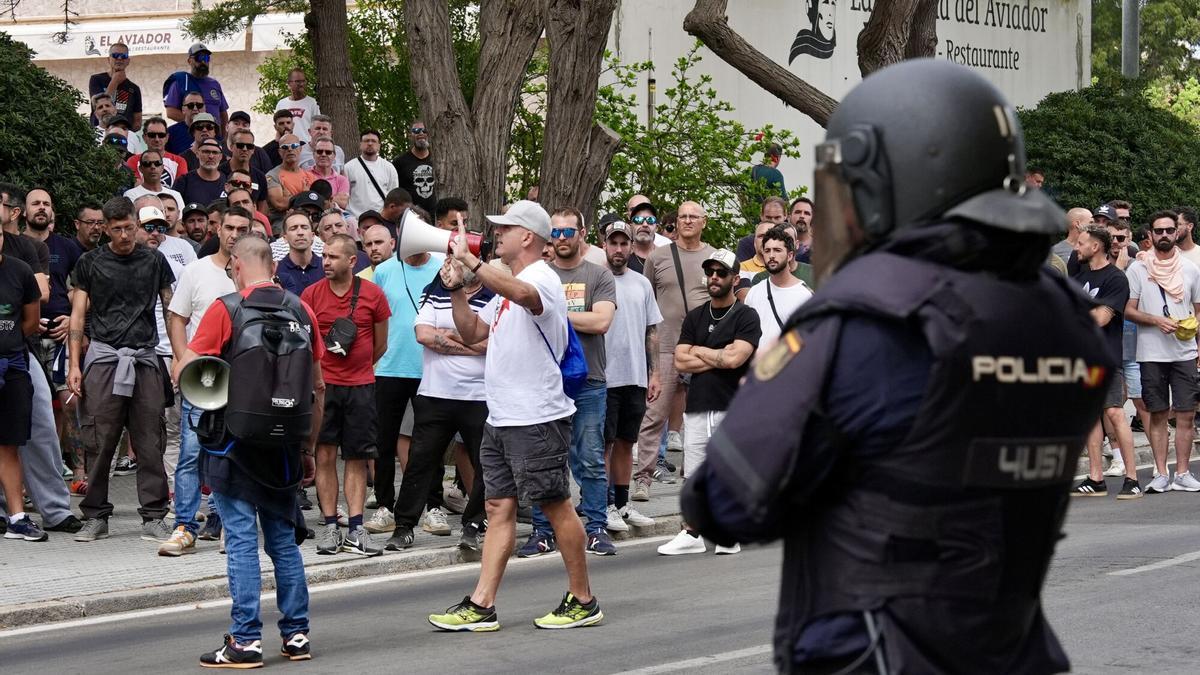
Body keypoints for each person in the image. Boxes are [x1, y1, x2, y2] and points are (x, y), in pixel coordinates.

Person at [681, 60, 1112, 672]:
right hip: (1012, 648)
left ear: (894, 184)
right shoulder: (1066, 321)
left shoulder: (867, 325)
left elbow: (725, 502)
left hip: (877, 651)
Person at [427, 200, 602, 631]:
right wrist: (456, 290)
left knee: (555, 504)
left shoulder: (539, 277)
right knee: (498, 505)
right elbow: (472, 334)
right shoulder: (507, 284)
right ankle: (482, 604)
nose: (496, 234)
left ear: (527, 236)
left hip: (535, 416)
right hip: (502, 417)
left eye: (505, 228)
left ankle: (583, 600)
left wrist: (471, 262)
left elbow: (525, 298)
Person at [173, 235, 321, 667]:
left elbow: (187, 371)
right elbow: (317, 386)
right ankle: (296, 636)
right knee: (283, 542)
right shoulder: (302, 309)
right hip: (285, 447)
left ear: (235, 265)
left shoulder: (226, 308)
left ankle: (245, 640)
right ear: (271, 267)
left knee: (239, 541)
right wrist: (307, 446)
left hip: (233, 445)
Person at [68, 197, 175, 543]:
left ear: (137, 224)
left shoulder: (155, 260)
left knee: (149, 438)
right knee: (99, 438)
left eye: (130, 227)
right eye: (116, 230)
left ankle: (155, 515)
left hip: (145, 355)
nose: (125, 235)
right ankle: (96, 514)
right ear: (105, 229)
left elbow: (171, 309)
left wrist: (180, 355)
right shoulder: (90, 262)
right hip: (104, 355)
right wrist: (74, 364)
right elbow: (78, 316)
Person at [521, 207, 618, 557]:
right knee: (545, 460)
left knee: (590, 458)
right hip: (544, 382)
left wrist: (552, 313)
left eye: (568, 232)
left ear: (582, 233)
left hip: (589, 380)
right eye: (556, 233)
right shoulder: (535, 275)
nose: (562, 239)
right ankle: (542, 531)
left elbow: (601, 321)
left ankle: (595, 527)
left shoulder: (598, 275)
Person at [158, 207, 249, 556]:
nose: (234, 233)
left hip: (242, 378)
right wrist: (181, 359)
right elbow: (177, 318)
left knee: (236, 453)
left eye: (243, 228)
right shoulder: (196, 270)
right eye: (229, 227)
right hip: (205, 376)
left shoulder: (255, 274)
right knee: (191, 454)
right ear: (218, 228)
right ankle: (185, 527)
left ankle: (230, 525)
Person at [302, 234, 391, 556]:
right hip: (324, 387)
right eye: (323, 256)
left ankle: (355, 528)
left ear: (352, 261)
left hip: (362, 386)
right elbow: (307, 342)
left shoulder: (373, 294)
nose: (325, 262)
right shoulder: (311, 294)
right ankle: (329, 525)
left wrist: (359, 370)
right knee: (324, 455)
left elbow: (380, 344)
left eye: (333, 257)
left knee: (357, 457)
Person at [633, 201, 714, 502]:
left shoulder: (714, 257)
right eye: (682, 217)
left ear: (704, 222)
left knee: (700, 415)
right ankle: (643, 479)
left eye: (694, 216)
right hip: (666, 346)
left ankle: (693, 478)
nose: (688, 221)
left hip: (702, 348)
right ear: (676, 222)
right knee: (655, 414)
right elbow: (647, 299)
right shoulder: (658, 257)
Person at [370, 222, 444, 543]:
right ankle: (385, 505)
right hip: (389, 368)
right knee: (383, 441)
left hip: (429, 368)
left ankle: (433, 504)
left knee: (431, 441)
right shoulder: (384, 271)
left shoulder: (442, 268)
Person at [1124, 210, 1200, 494]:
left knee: (1186, 414)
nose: (1165, 235)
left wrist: (1192, 330)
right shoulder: (1138, 269)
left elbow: (1198, 310)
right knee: (1157, 413)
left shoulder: (1190, 269)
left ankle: (1182, 472)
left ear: (1177, 232)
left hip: (1184, 352)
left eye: (1170, 230)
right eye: (1159, 231)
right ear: (1151, 235)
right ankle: (1160, 472)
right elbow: (1128, 309)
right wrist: (1156, 320)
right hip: (1150, 353)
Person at [1068, 226, 1140, 499]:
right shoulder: (1079, 274)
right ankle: (1096, 478)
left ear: (1096, 247)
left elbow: (1101, 319)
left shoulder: (1115, 279)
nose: (1076, 247)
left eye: (1081, 243)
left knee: (1114, 413)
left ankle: (1132, 479)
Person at [599, 222, 660, 533]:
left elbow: (652, 331)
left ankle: (622, 503)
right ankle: (603, 503)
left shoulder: (642, 284)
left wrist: (655, 373)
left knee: (626, 442)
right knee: (605, 443)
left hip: (635, 375)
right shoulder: (595, 278)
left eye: (625, 243)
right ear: (604, 244)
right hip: (604, 376)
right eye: (614, 243)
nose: (619, 249)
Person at [163, 43, 229, 130]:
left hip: (215, 138)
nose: (203, 62)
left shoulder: (215, 84)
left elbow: (223, 113)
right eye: (199, 58)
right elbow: (171, 112)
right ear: (190, 61)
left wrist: (224, 137)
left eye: (206, 58)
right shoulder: (181, 81)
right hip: (190, 136)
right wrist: (198, 124)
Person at [345, 130, 399, 217]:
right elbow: (345, 196)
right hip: (356, 219)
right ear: (360, 144)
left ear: (379, 146)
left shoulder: (389, 168)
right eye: (366, 140)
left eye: (373, 141)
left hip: (381, 218)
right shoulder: (349, 167)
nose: (370, 143)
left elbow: (393, 196)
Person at [88, 42, 142, 129]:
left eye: (123, 56)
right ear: (109, 59)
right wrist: (115, 81)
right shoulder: (96, 79)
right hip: (100, 133)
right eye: (115, 55)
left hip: (123, 135)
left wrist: (129, 134)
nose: (119, 58)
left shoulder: (134, 88)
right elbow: (97, 103)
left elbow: (138, 120)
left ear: (128, 61)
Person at [275, 212, 325, 296]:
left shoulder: (326, 267)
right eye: (293, 228)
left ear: (313, 235)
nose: (300, 232)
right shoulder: (277, 271)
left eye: (304, 227)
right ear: (285, 238)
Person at [266, 134, 313, 223]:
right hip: (282, 222)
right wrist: (304, 195)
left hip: (308, 220)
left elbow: (316, 201)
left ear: (300, 149)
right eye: (285, 147)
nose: (290, 149)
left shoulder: (309, 176)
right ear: (280, 152)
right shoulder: (272, 176)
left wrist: (290, 198)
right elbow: (280, 204)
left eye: (294, 146)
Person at [393, 120, 436, 214]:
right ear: (410, 135)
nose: (421, 133)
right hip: (412, 216)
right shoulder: (399, 162)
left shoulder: (439, 159)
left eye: (424, 130)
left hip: (437, 216)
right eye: (416, 130)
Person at [174, 138, 227, 207]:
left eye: (215, 152)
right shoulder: (184, 181)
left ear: (221, 157)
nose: (211, 156)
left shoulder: (227, 180)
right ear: (197, 154)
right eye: (206, 152)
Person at [275, 68, 320, 142]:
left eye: (303, 81)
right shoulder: (281, 104)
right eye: (298, 81)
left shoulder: (312, 103)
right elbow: (278, 129)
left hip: (306, 147)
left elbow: (317, 127)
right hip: (287, 147)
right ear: (289, 83)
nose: (301, 84)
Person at [306, 136, 349, 210]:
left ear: (334, 156)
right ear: (313, 154)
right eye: (319, 151)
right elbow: (306, 201)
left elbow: (344, 203)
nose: (323, 154)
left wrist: (316, 197)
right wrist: (334, 198)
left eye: (328, 152)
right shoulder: (305, 175)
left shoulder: (342, 180)